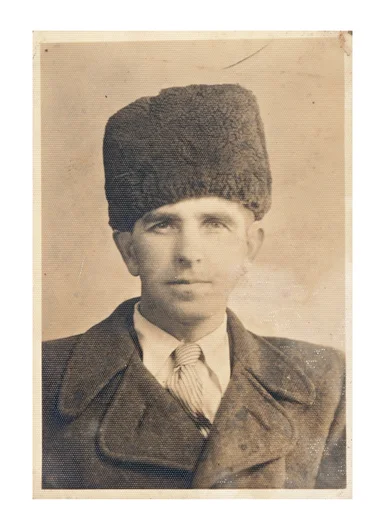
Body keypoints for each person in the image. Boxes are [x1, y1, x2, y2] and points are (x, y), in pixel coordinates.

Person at [42, 84, 346, 490]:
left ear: (249, 247)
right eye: (163, 225)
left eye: (214, 224)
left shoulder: (329, 384)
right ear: (129, 251)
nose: (189, 253)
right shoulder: (38, 377)